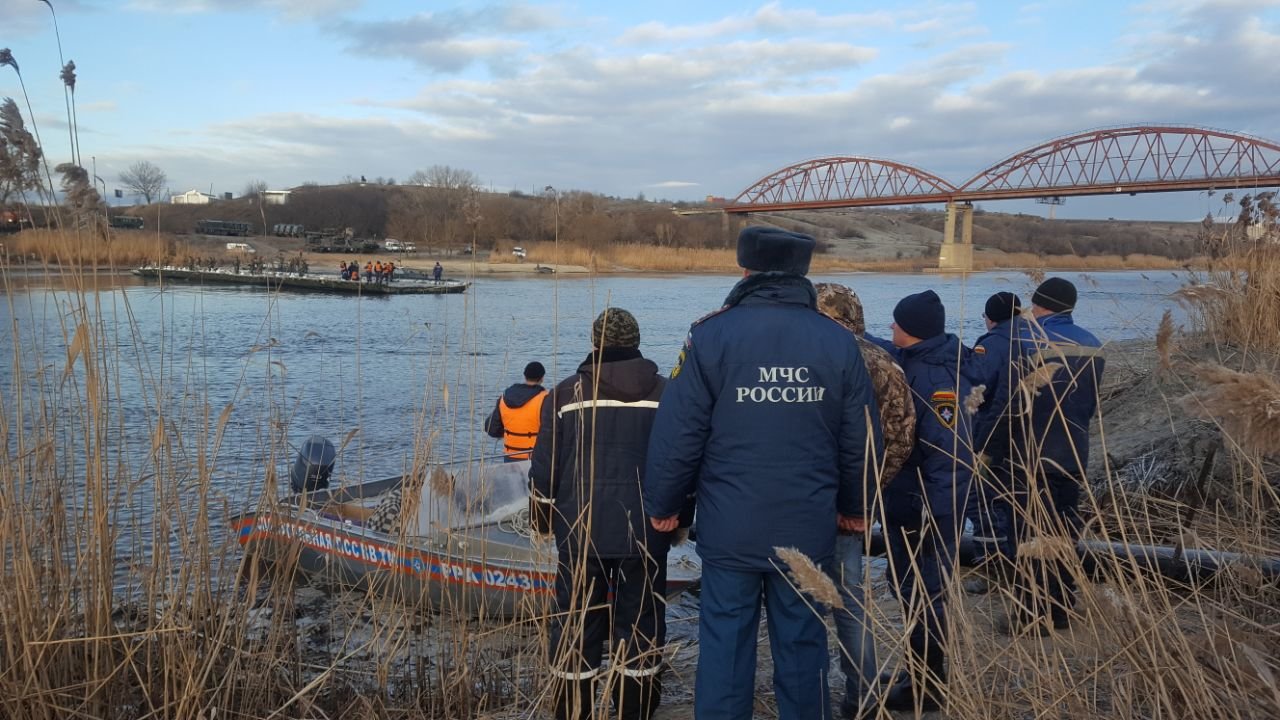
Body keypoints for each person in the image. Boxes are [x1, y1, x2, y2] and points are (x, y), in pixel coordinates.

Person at [644, 227, 882, 720]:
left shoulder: (710, 334)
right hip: (807, 523)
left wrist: (664, 506)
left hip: (731, 526)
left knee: (726, 646)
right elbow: (860, 435)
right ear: (803, 273)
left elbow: (680, 431)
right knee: (802, 646)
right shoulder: (838, 342)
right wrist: (858, 510)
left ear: (745, 269)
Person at [529, 308, 675, 720]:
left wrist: (542, 522)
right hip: (646, 534)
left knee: (576, 628)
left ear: (595, 343)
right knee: (642, 629)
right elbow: (680, 463)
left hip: (580, 533)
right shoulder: (667, 394)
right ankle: (635, 713)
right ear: (636, 342)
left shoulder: (562, 395)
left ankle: (574, 714)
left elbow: (544, 471)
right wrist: (678, 521)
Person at [815, 282, 916, 719]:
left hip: (800, 498)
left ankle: (806, 694)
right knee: (850, 601)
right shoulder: (882, 360)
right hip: (853, 509)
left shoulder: (803, 355)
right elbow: (900, 436)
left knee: (795, 602)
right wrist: (868, 493)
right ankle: (865, 695)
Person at [880, 289, 974, 713]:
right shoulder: (919, 361)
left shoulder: (936, 382)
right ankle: (914, 670)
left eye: (897, 324)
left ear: (912, 331)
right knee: (909, 588)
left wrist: (933, 513)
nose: (891, 329)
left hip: (927, 508)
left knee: (924, 591)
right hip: (912, 502)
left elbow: (950, 456)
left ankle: (927, 685)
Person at [1005, 277, 1104, 633]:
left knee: (1029, 535)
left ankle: (1032, 614)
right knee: (1064, 530)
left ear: (1040, 303)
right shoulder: (1094, 344)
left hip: (1032, 452)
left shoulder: (1026, 339)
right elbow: (1090, 404)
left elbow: (1011, 402)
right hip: (1074, 451)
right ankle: (1061, 606)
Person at [964, 292, 1026, 594]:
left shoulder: (991, 345)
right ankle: (1021, 569)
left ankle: (992, 569)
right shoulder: (1037, 336)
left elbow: (976, 389)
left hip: (991, 439)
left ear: (990, 318)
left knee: (983, 503)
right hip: (1031, 442)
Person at [484, 362, 548, 462]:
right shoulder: (545, 399)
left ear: (525, 376)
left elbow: (491, 428)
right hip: (536, 458)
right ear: (542, 378)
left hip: (510, 457)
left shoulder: (504, 398)